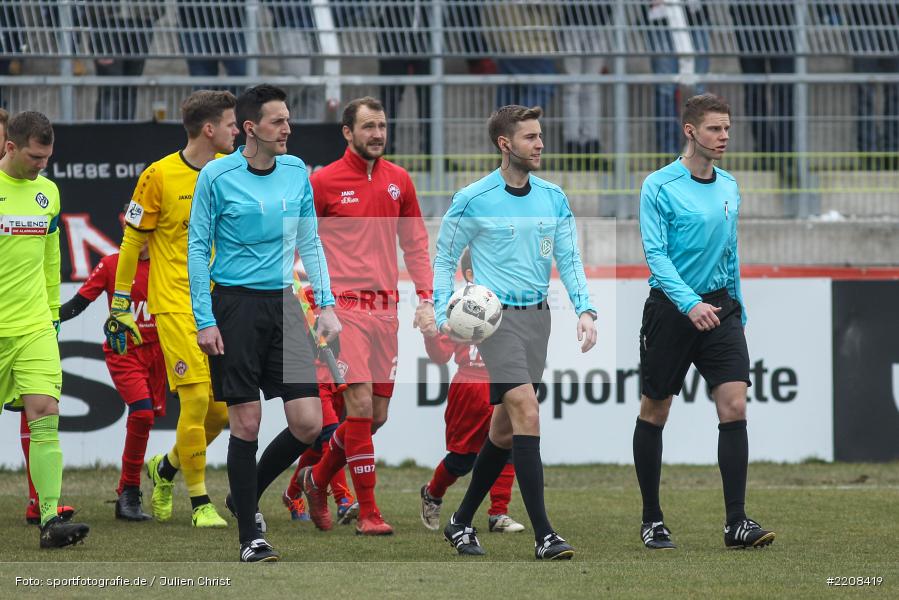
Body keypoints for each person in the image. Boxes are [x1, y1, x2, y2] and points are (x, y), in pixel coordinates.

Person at [433, 104, 597, 560]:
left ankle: (461, 521)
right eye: (530, 137)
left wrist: (585, 310)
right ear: (505, 144)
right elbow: (445, 258)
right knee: (526, 409)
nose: (540, 143)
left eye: (540, 135)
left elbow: (569, 259)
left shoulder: (553, 197)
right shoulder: (472, 198)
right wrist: (440, 309)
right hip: (495, 322)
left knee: (503, 432)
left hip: (538, 318)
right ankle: (546, 534)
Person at [187, 84, 340, 563]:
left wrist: (327, 305)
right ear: (251, 129)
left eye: (289, 120)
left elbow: (311, 244)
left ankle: (244, 493)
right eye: (279, 122)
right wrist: (205, 318)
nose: (288, 129)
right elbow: (196, 249)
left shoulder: (296, 172)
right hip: (234, 307)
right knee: (247, 422)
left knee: (308, 423)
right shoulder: (217, 175)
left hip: (286, 306)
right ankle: (250, 536)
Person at [635, 93, 775, 550]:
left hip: (721, 309)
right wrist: (689, 303)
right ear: (690, 131)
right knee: (655, 409)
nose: (725, 137)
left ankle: (737, 522)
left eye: (728, 129)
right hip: (672, 310)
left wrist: (737, 303)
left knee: (734, 405)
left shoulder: (730, 186)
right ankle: (652, 519)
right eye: (715, 129)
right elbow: (656, 256)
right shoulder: (658, 185)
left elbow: (731, 251)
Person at [297, 96, 435, 536]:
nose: (377, 134)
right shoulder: (323, 183)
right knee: (356, 407)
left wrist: (427, 299)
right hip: (343, 310)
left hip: (386, 311)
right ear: (347, 132)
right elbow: (301, 242)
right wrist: (320, 302)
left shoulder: (399, 180)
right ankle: (368, 513)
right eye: (369, 127)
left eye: (382, 126)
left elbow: (415, 245)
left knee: (375, 417)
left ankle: (316, 480)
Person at [107, 90, 237, 527]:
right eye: (231, 124)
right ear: (209, 129)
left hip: (221, 303)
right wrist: (121, 301)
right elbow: (132, 240)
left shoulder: (228, 173)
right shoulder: (159, 175)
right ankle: (200, 503)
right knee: (197, 400)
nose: (237, 131)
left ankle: (164, 469)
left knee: (220, 412)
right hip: (175, 304)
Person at [0, 110, 90, 548]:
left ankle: (50, 520)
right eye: (35, 157)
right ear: (10, 147)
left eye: (48, 158)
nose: (42, 165)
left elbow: (53, 256)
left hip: (35, 324)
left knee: (45, 415)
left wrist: (53, 313)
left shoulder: (48, 193)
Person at [60, 205, 166, 521]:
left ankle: (168, 475)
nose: (141, 235)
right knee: (143, 414)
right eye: (134, 228)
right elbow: (78, 304)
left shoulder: (169, 266)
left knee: (197, 412)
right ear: (124, 228)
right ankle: (129, 492)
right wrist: (46, 318)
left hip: (162, 354)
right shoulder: (112, 265)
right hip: (126, 353)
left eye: (148, 227)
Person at [419, 248, 524, 534]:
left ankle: (498, 513)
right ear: (469, 275)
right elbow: (441, 354)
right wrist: (431, 335)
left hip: (501, 382)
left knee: (508, 447)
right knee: (462, 459)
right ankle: (433, 492)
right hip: (468, 388)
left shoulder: (505, 300)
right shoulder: (459, 305)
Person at [644, 0, 711, 155]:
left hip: (695, 15)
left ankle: (698, 151)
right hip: (659, 19)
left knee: (698, 87)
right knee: (665, 87)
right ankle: (668, 154)